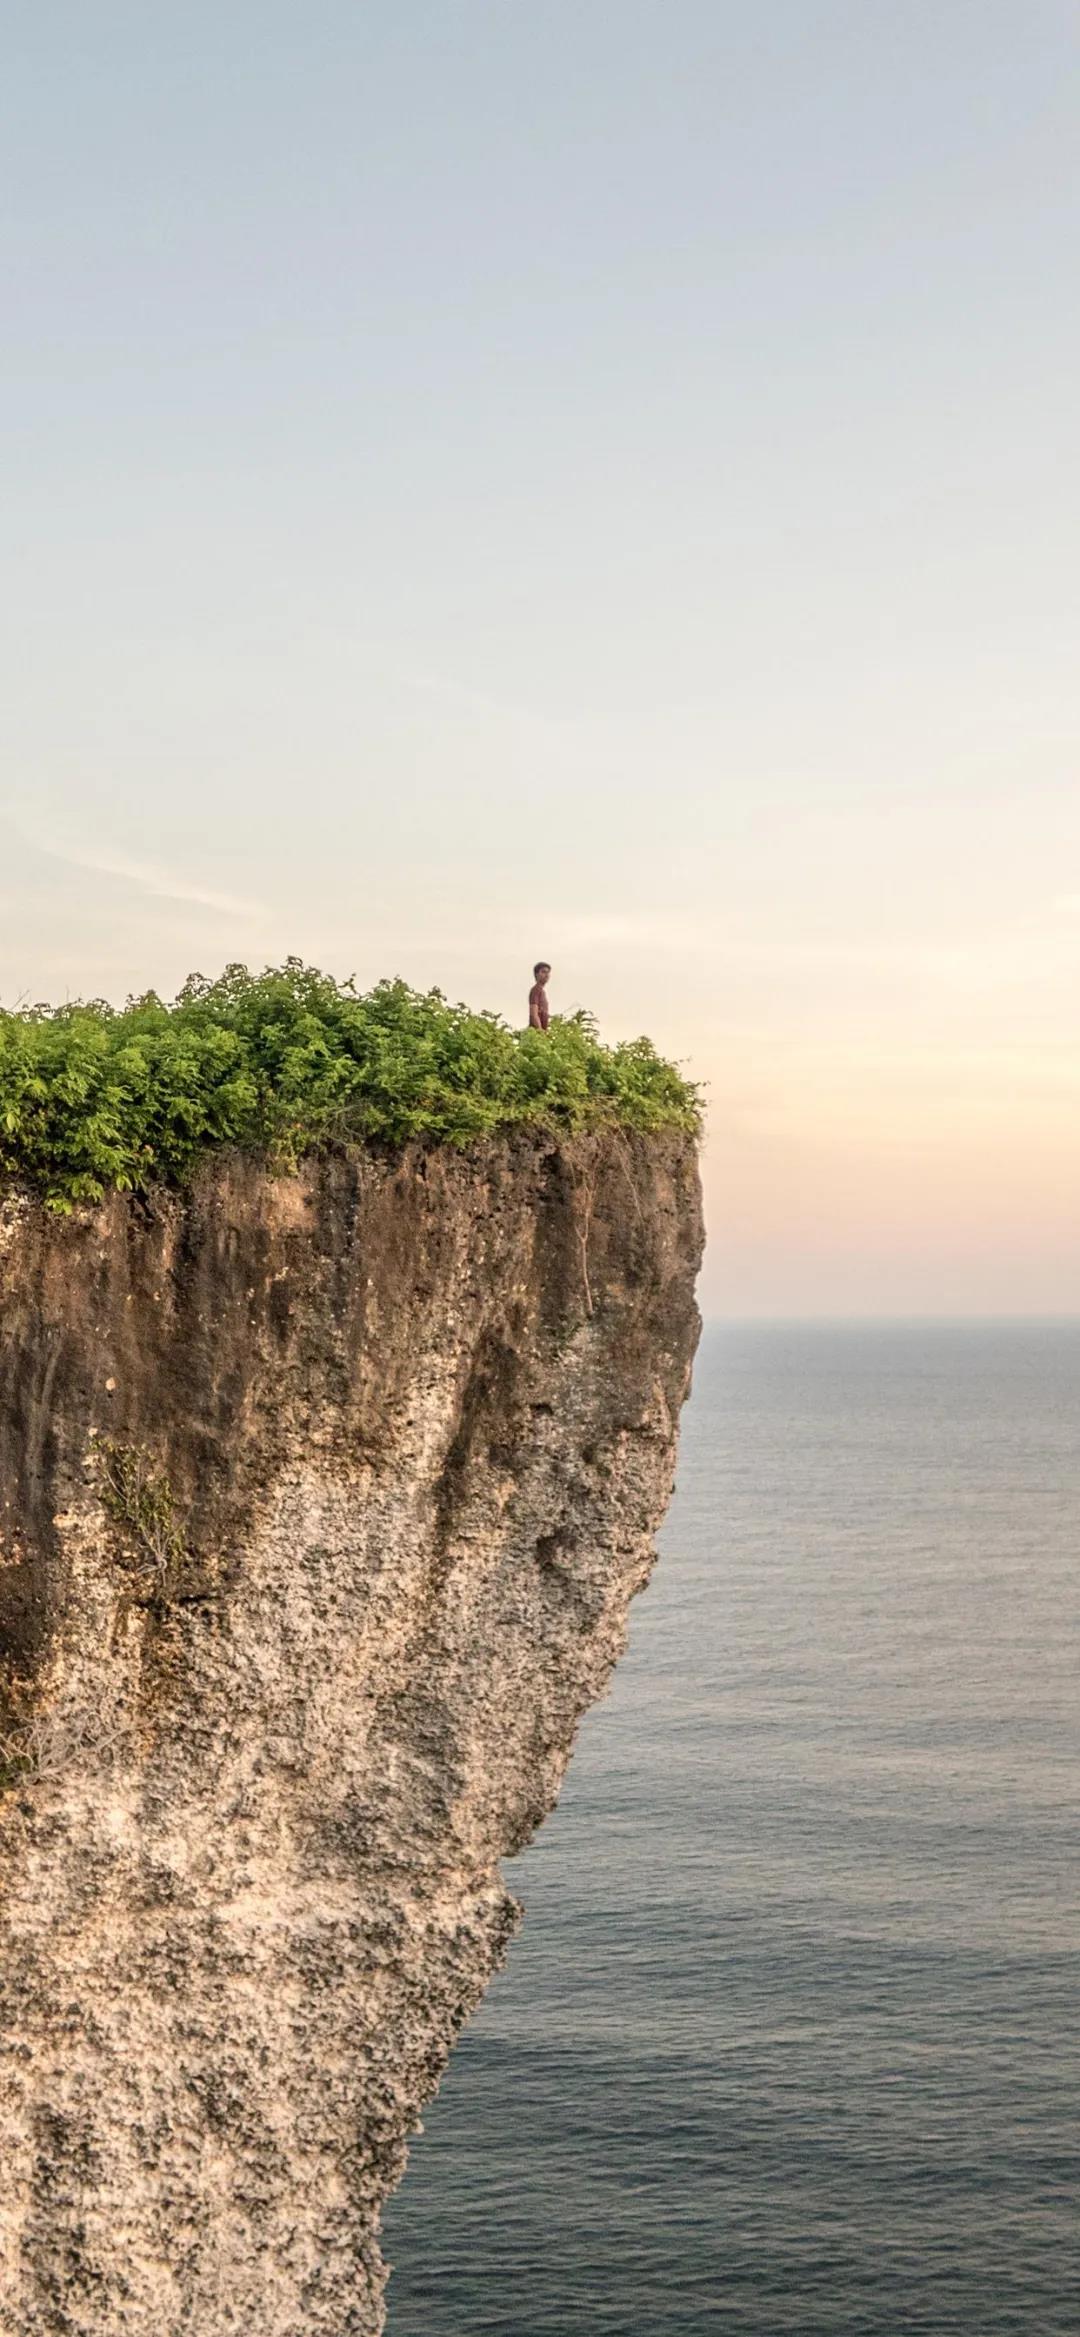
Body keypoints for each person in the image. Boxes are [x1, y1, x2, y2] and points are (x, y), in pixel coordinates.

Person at [528, 961, 551, 1031]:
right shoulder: (536, 990)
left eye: (548, 972)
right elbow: (533, 1014)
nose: (546, 975)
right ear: (536, 974)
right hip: (536, 1033)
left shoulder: (542, 991)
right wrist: (540, 1030)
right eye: (543, 972)